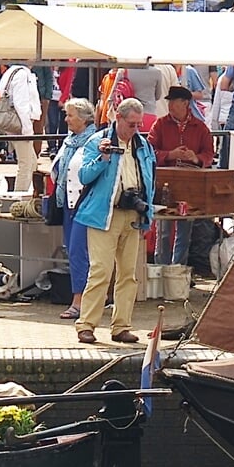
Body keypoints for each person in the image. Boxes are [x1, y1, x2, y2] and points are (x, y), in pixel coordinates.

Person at [70, 97, 155, 345]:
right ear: (118, 118)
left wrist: (147, 213)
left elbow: (149, 180)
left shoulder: (143, 146)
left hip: (132, 215)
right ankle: (86, 325)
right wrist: (103, 158)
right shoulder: (97, 142)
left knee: (129, 275)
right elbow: (84, 176)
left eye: (139, 124)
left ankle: (121, 326)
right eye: (131, 124)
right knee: (101, 271)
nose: (135, 129)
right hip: (102, 216)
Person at [146, 84, 215, 268]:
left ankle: (178, 270)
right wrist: (170, 155)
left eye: (174, 102)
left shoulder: (200, 128)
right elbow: (149, 151)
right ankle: (161, 269)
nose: (170, 106)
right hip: (165, 183)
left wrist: (196, 158)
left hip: (190, 185)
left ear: (185, 103)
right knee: (164, 228)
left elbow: (209, 153)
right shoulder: (160, 124)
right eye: (169, 103)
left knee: (185, 228)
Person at [52, 97, 98, 319]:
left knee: (79, 252)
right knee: (73, 251)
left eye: (70, 115)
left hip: (85, 205)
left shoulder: (95, 141)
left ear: (84, 118)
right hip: (68, 204)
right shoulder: (70, 140)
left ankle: (79, 301)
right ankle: (85, 298)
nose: (66, 119)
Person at [0, 61, 42, 196]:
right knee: (26, 165)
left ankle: (32, 194)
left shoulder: (11, 72)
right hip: (20, 125)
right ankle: (18, 198)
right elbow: (21, 103)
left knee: (32, 163)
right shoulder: (22, 74)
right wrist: (27, 130)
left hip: (14, 124)